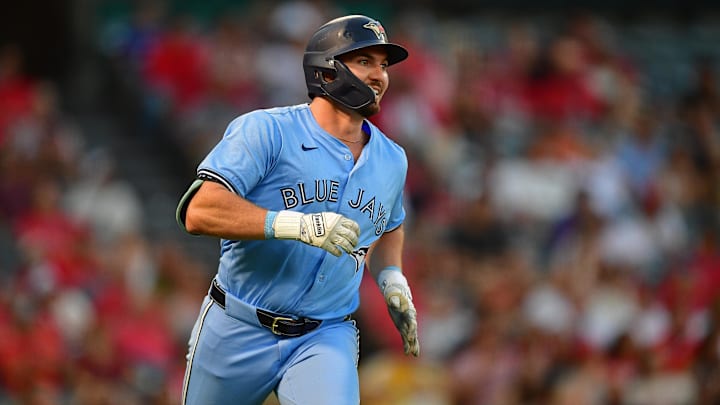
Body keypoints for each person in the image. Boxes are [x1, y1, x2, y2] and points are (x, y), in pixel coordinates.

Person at [175, 14, 419, 405]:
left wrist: (391, 277)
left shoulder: (393, 159)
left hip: (325, 334)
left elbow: (389, 224)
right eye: (365, 62)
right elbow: (199, 211)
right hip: (237, 325)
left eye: (384, 65)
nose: (379, 76)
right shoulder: (266, 131)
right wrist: (293, 225)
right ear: (326, 71)